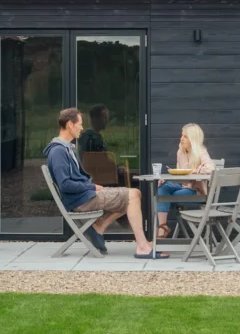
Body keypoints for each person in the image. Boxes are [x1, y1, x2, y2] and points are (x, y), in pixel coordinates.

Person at [45, 107, 167, 258]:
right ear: (70, 124)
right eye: (80, 124)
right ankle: (142, 246)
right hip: (82, 199)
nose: (82, 128)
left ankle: (101, 226)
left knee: (135, 193)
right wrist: (92, 186)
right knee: (132, 196)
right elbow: (65, 185)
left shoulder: (65, 149)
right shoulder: (58, 151)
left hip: (84, 196)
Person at [155, 123, 215, 238]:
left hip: (197, 191)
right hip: (182, 185)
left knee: (162, 198)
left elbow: (211, 168)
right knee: (162, 187)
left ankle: (161, 233)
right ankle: (163, 227)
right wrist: (166, 180)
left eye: (185, 136)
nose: (181, 139)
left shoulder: (201, 152)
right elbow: (179, 174)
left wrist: (195, 170)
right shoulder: (180, 152)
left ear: (193, 139)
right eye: (182, 135)